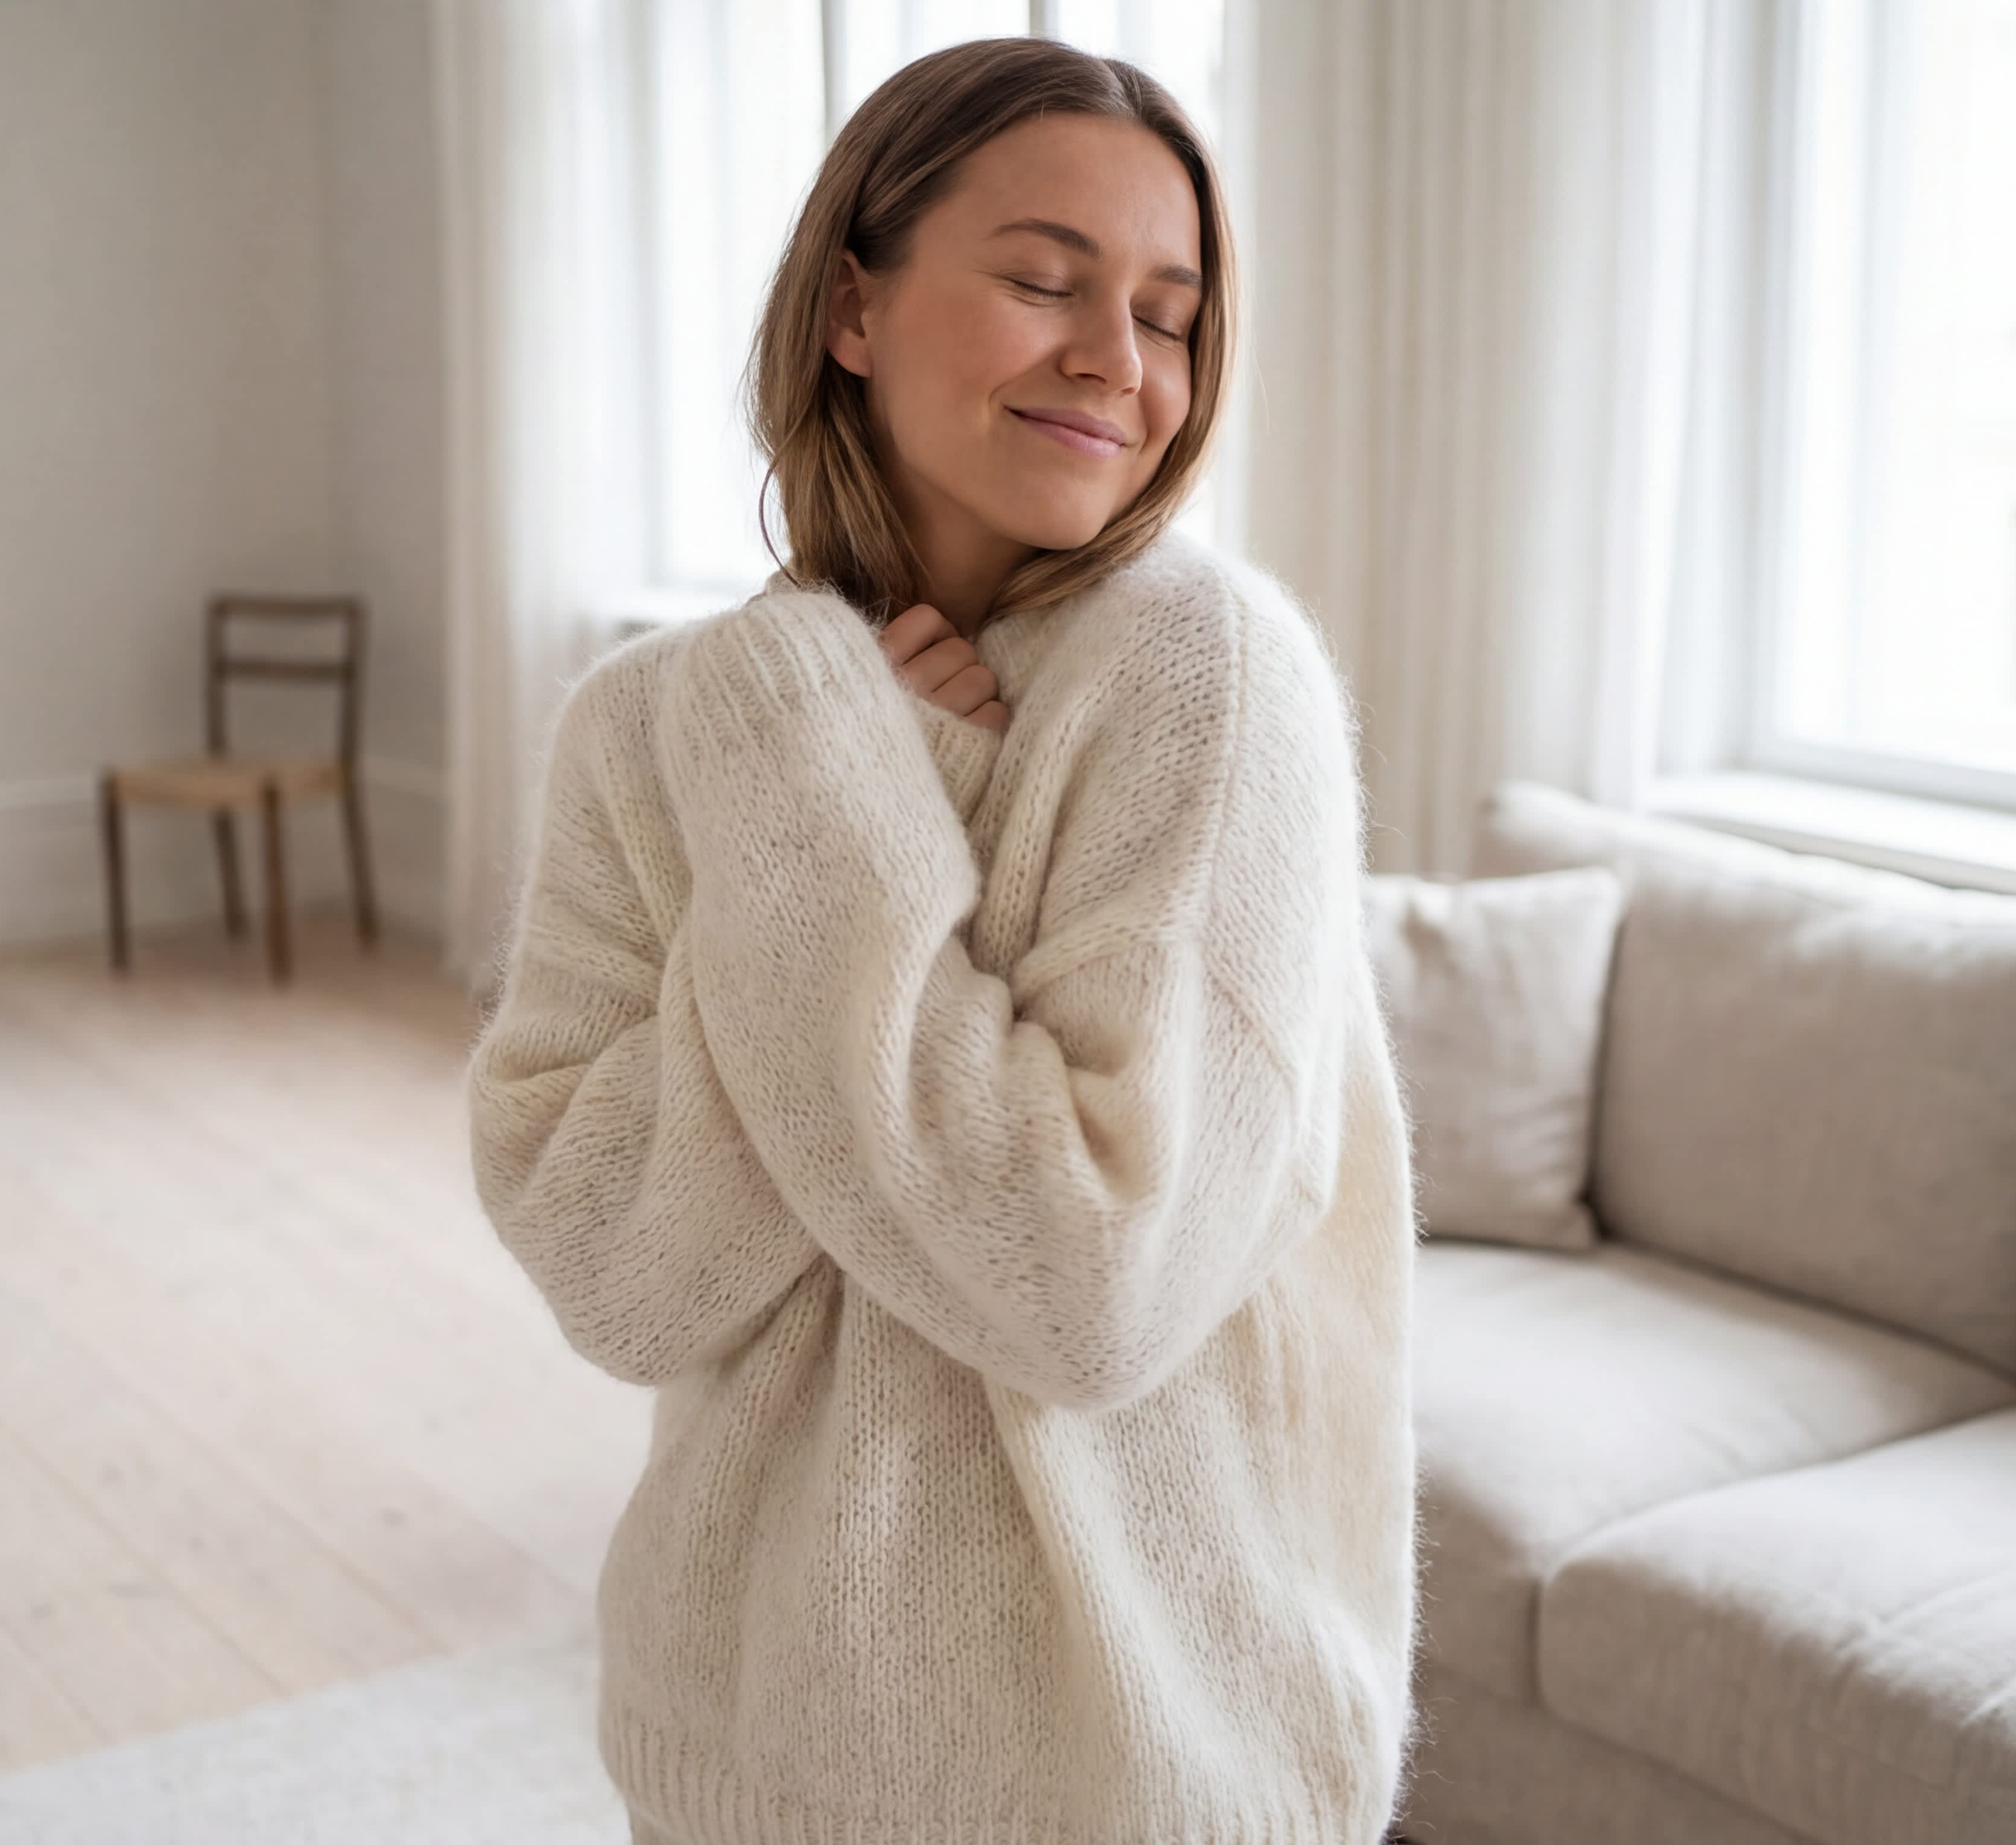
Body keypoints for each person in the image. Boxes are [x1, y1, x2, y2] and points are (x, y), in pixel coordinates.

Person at [464, 35, 1418, 1845]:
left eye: (1172, 313)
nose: (1116, 363)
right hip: (743, 1748)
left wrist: (841, 827)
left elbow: (1090, 1285)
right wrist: (816, 783)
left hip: (1136, 1769)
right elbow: (617, 1279)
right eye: (1046, 280)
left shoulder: (1213, 689)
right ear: (851, 306)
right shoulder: (654, 725)